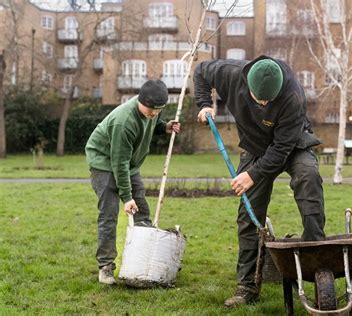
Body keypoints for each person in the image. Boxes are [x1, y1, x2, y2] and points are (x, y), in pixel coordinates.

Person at [194, 55, 326, 307]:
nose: (264, 103)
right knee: (248, 214)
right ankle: (247, 286)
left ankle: (315, 260)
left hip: (292, 145)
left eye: (269, 100)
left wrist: (252, 175)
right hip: (254, 147)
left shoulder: (293, 96)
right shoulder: (231, 73)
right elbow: (200, 71)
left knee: (308, 175)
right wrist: (203, 103)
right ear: (247, 84)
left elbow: (280, 149)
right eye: (259, 99)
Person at [85, 79, 181, 285]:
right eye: (151, 110)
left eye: (159, 110)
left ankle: (144, 260)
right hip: (104, 163)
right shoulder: (124, 121)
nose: (154, 114)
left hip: (128, 164)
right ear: (140, 100)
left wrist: (164, 127)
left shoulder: (152, 109)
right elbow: (119, 163)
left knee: (142, 211)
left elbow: (151, 123)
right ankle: (106, 266)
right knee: (109, 215)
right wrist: (126, 198)